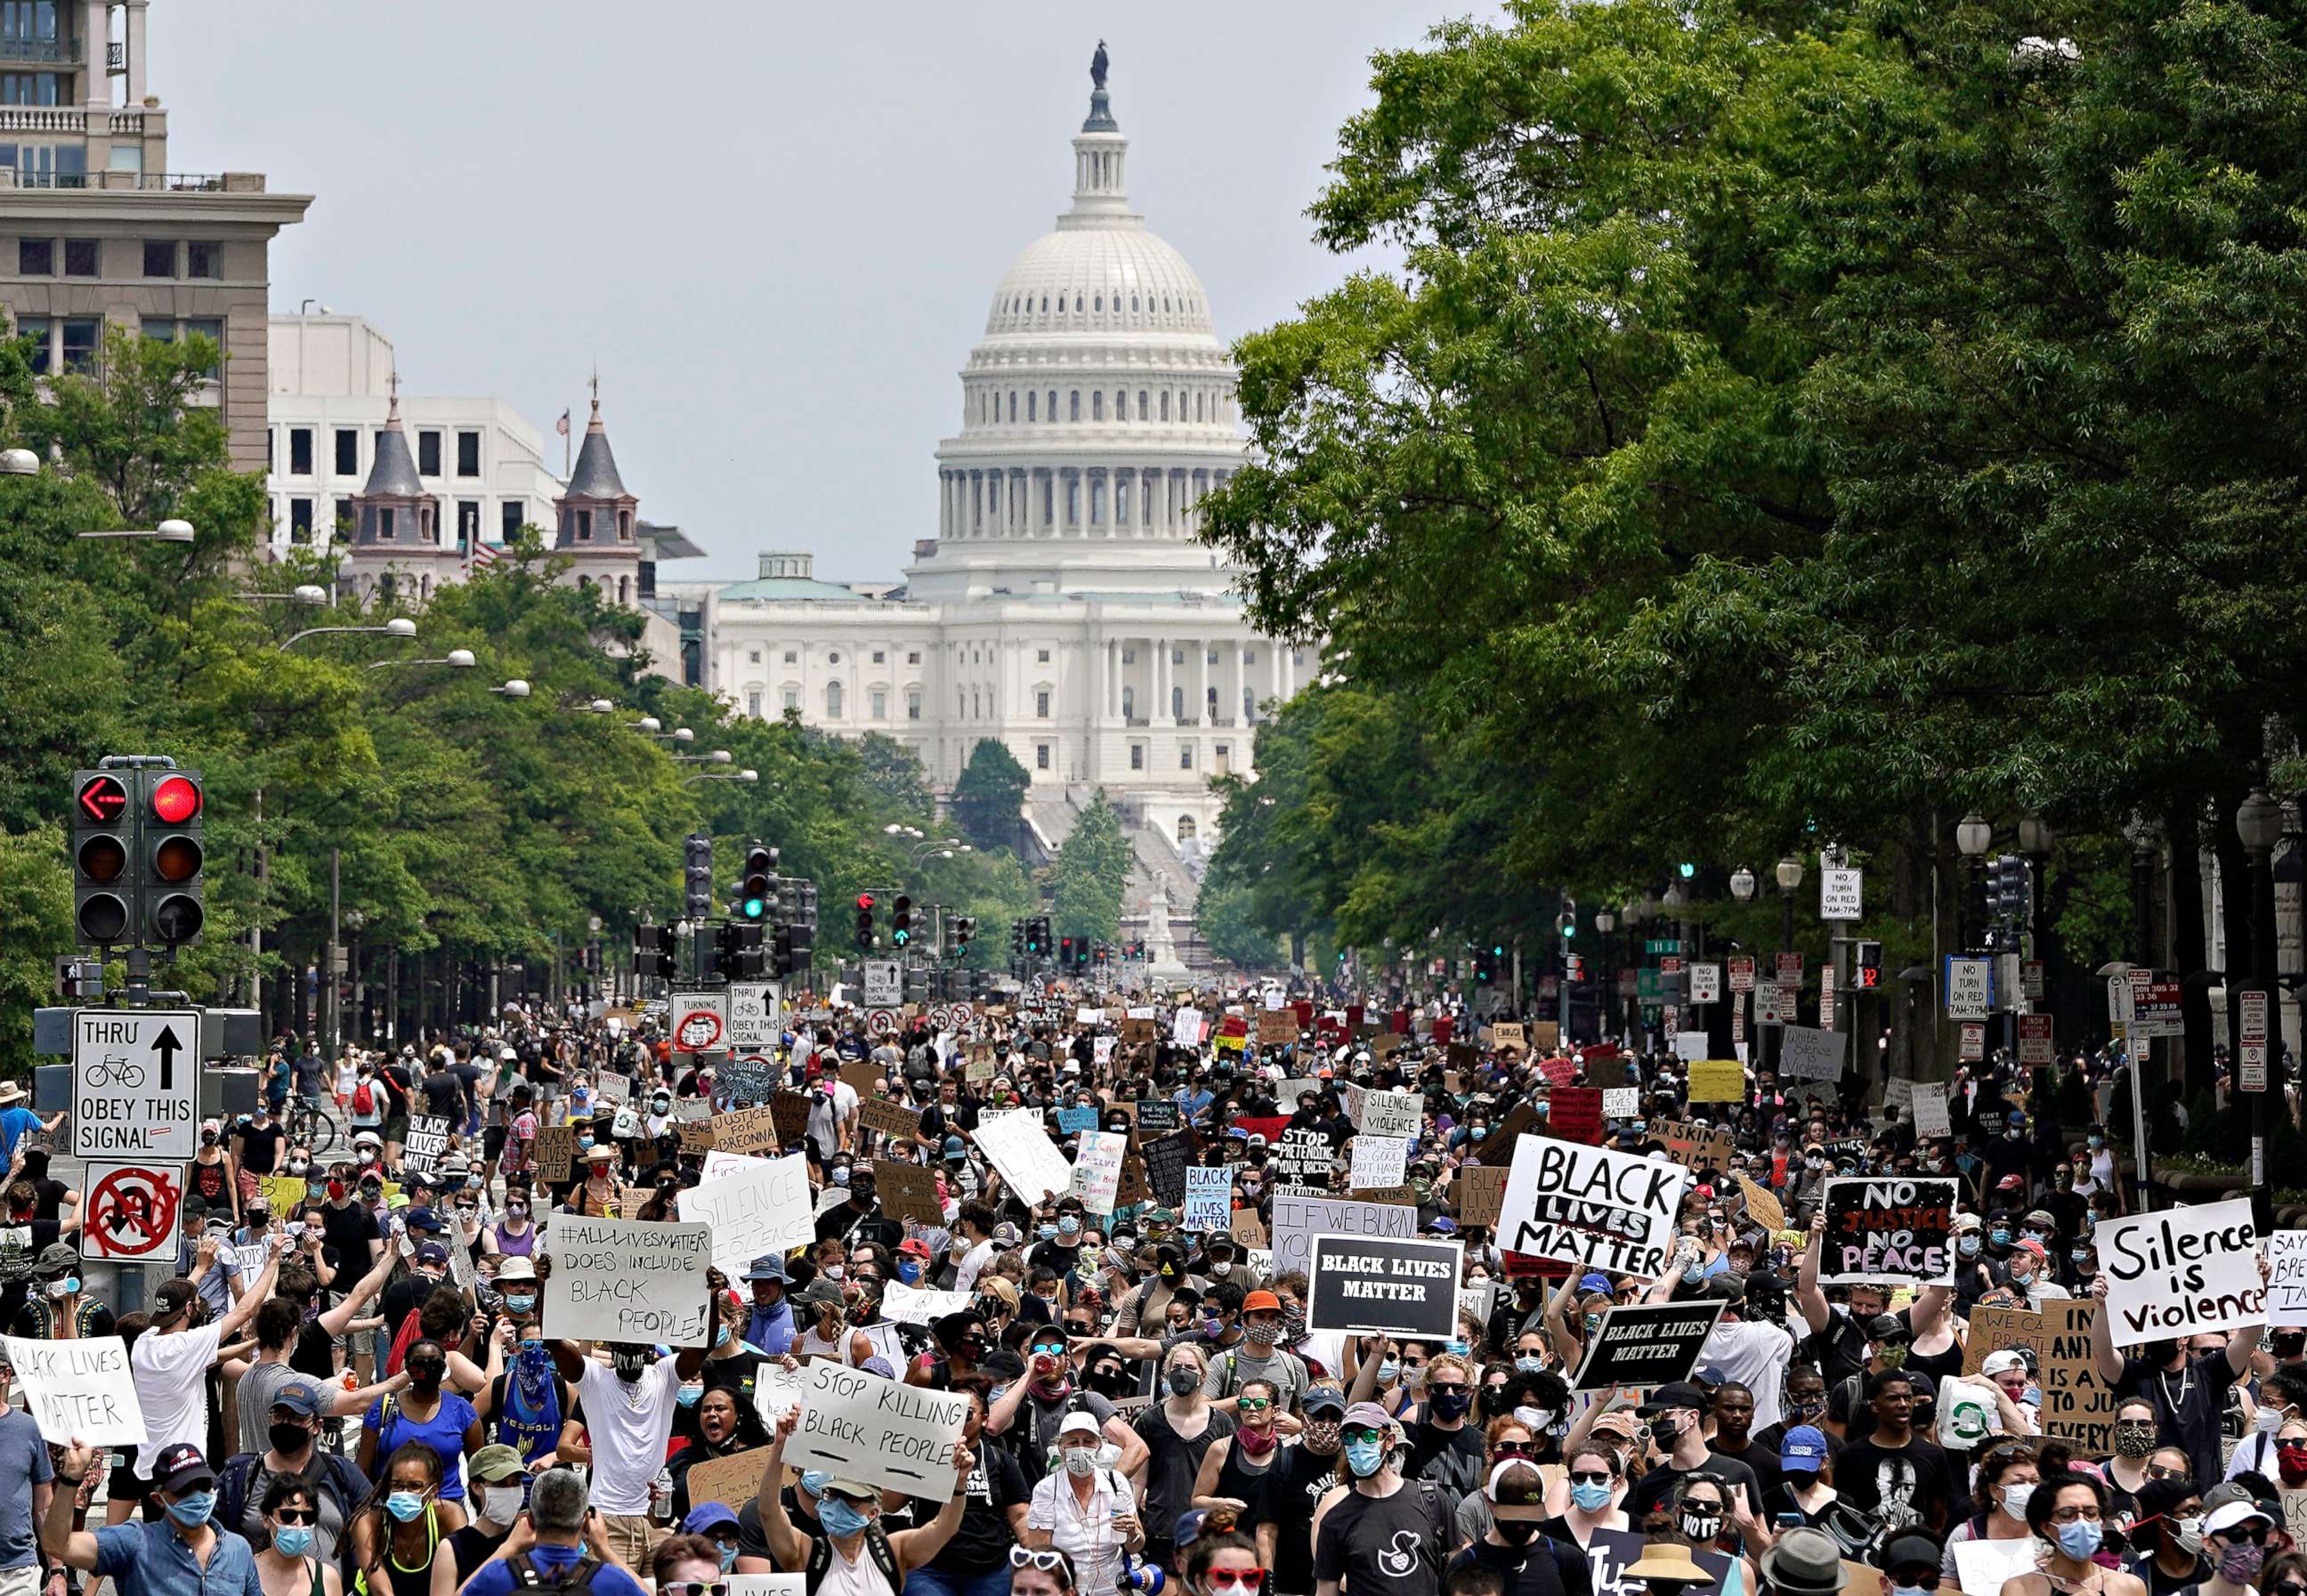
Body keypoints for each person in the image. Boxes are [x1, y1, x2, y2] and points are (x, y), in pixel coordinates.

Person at [751, 1407, 976, 1596]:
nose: (838, 1504)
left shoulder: (893, 1553)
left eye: (851, 1499)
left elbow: (943, 1528)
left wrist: (959, 1483)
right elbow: (769, 1512)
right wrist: (779, 1450)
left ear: (873, 1513)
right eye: (834, 1495)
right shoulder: (808, 1554)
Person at [538, 1332, 708, 1569]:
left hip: (658, 1519)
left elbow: (702, 1347)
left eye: (636, 1346)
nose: (630, 1350)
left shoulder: (664, 1375)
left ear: (648, 1348)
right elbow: (555, 1343)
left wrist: (710, 1298)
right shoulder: (594, 1379)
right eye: (623, 1344)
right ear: (611, 1346)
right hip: (609, 1520)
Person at [2092, 1272, 2265, 1492]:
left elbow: (2247, 1338)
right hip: (2148, 1494)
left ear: (2184, 1337)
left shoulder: (2209, 1372)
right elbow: (2103, 1351)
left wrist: (2259, 1287)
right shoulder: (2134, 1374)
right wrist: (2102, 1306)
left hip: (2200, 1495)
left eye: (2164, 1331)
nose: (2157, 1337)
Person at [134, 1244, 281, 1498]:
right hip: (182, 1469)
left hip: (148, 1468)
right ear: (189, 1310)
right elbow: (244, 1309)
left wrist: (201, 1269)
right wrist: (273, 1260)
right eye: (196, 1303)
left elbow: (212, 1355)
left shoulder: (143, 1342)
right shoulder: (187, 1345)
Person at [45, 1440, 262, 1596]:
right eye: (184, 1490)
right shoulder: (135, 1543)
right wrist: (71, 1478)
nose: (196, 1497)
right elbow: (58, 1544)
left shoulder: (237, 1549)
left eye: (203, 1486)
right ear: (158, 1499)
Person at [217, 1379, 375, 1568]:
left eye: (296, 1418)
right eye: (279, 1416)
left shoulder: (342, 1474)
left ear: (317, 1426)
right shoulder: (241, 1475)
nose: (286, 1424)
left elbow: (373, 1536)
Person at [1310, 1402, 1453, 1596]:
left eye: (1368, 1436)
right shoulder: (1335, 1520)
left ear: (1389, 1441)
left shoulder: (1431, 1499)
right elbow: (1326, 1591)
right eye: (1350, 1438)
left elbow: (1460, 1570)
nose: (1358, 1445)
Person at [905, 1377, 1029, 1596]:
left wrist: (1037, 1561)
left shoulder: (1000, 1460)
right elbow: (890, 1502)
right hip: (930, 1571)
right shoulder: (919, 1454)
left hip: (990, 1572)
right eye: (951, 1410)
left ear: (984, 1419)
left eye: (967, 1412)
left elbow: (1019, 1516)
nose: (958, 1418)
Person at [454, 1469, 648, 1596]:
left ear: (530, 1520)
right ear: (586, 1522)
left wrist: (508, 1548)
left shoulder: (496, 1577)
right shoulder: (612, 1581)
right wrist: (605, 1550)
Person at [1131, 1342, 1233, 1569]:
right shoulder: (1149, 1420)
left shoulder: (1221, 1422)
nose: (1182, 1371)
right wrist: (1132, 1514)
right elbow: (1139, 1478)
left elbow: (1229, 1477)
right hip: (1161, 1527)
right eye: (1176, 1366)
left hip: (1207, 1530)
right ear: (1167, 1374)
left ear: (1203, 1375)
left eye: (1190, 1366)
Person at [1025, 1412, 1147, 1596]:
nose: (1081, 1448)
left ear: (1099, 1447)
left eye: (1088, 1442)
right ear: (1061, 1448)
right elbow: (1039, 1552)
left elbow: (1136, 1545)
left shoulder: (1117, 1483)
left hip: (1113, 1588)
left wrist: (1132, 1532)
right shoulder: (1047, 1490)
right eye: (1073, 1442)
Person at [357, 1341, 479, 1519]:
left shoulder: (462, 1410)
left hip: (447, 1512)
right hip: (393, 1509)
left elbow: (478, 1470)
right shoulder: (384, 1408)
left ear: (444, 1368)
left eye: (434, 1362)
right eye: (419, 1362)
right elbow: (363, 1467)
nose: (427, 1368)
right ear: (407, 1367)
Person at [1447, 1456, 1594, 1596]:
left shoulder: (1566, 1560)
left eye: (1529, 1517)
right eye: (1512, 1518)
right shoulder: (1465, 1564)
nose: (1521, 1527)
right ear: (1489, 1502)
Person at [1249, 1383, 1345, 1596]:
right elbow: (1266, 1531)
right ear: (1304, 1420)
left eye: (1335, 1417)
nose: (1327, 1424)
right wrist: (1267, 1581)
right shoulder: (1286, 1460)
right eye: (1320, 1417)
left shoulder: (1352, 1460)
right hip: (1293, 1584)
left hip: (1344, 1582)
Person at [1828, 1372, 1952, 1535]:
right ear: (1874, 1406)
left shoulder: (1933, 1455)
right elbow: (1844, 1514)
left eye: (1908, 1398)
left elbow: (1939, 1518)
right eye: (1893, 1398)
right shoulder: (1850, 1457)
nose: (1903, 1404)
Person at [1623, 1381, 1764, 1520]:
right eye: (1653, 1418)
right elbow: (1642, 1539)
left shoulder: (1738, 1473)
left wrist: (1748, 1528)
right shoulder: (1649, 1484)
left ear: (1691, 1417)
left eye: (1663, 1415)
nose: (1657, 1424)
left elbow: (1764, 1541)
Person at [1997, 1470, 2144, 1596]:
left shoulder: (2129, 1587)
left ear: (2102, 1522)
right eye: (2067, 1515)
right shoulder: (2020, 1589)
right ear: (2045, 1526)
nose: (2081, 1522)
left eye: (2091, 1513)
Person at [349, 1442, 449, 1596]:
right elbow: (382, 1591)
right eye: (397, 1485)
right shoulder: (368, 1523)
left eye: (415, 1486)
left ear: (433, 1490)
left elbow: (458, 1578)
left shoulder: (449, 1516)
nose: (404, 1493)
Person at [425, 1446, 525, 1596]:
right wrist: (507, 1550)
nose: (510, 1491)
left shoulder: (528, 1538)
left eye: (516, 1482)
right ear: (477, 1487)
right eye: (501, 1483)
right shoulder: (454, 1547)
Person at [1938, 1441, 2041, 1584]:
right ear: (1994, 1490)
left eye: (2034, 1481)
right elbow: (1948, 1590)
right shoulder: (1965, 1537)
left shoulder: (2049, 1535)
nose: (2028, 1489)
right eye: (2018, 1482)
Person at [0, 1356, 53, 1596]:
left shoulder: (28, 1429)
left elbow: (43, 1505)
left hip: (18, 1572)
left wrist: (58, 1569)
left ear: (5, 1375)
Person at [1192, 1377, 1280, 1519]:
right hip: (1230, 1537)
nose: (1251, 1408)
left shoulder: (1286, 1451)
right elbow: (1197, 1500)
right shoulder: (1221, 1449)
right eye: (1244, 1403)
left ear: (1275, 1411)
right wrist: (1220, 1504)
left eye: (1259, 1403)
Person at [253, 1476, 342, 1596]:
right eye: (288, 1515)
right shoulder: (244, 1573)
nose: (299, 1523)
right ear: (266, 1519)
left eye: (307, 1517)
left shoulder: (327, 1578)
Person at [2120, 1477, 2206, 1596]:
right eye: (2191, 1511)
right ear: (2164, 1522)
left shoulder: (2216, 1568)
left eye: (2202, 1510)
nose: (2201, 1519)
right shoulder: (2137, 1579)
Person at [1538, 1441, 1629, 1546]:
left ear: (1616, 1482)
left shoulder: (1638, 1528)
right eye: (1579, 1477)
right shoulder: (1547, 1533)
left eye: (1598, 1477)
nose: (1588, 1484)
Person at [1761, 1427, 1839, 1528]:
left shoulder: (1843, 1505)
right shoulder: (1770, 1501)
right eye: (1794, 1467)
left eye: (1807, 1468)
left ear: (1824, 1461)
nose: (1799, 1474)